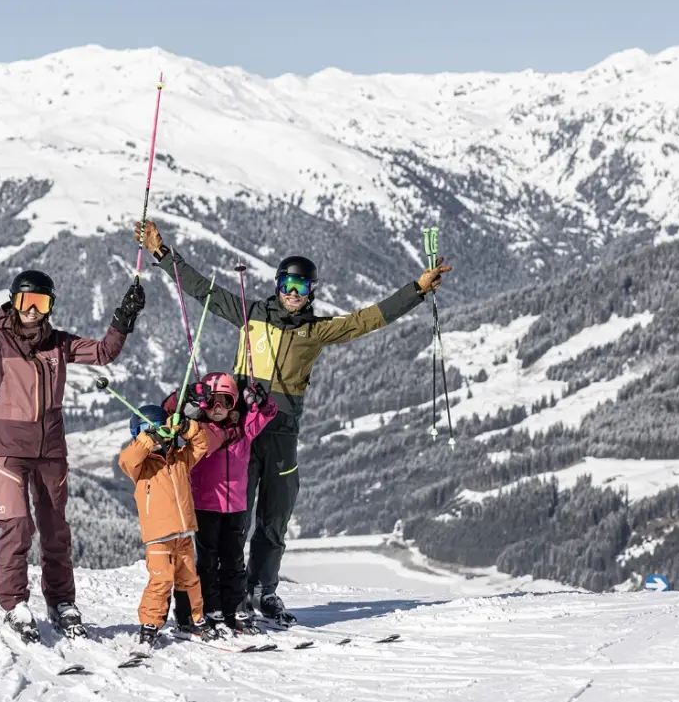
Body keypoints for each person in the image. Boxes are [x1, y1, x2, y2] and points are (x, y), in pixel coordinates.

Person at [134, 220, 448, 625]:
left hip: (283, 435)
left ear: (311, 291)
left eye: (301, 288)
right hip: (241, 434)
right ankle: (225, 595)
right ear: (277, 284)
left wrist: (418, 290)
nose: (292, 294)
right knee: (235, 517)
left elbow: (369, 319)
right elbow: (201, 289)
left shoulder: (316, 331)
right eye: (286, 285)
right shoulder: (250, 313)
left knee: (275, 516)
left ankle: (263, 591)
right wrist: (162, 253)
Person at [0, 270, 146, 641]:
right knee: (17, 524)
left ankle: (61, 602)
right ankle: (14, 603)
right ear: (14, 302)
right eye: (26, 302)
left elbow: (105, 352)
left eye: (41, 303)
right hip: (9, 452)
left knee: (56, 528)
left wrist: (125, 316)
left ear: (50, 306)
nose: (32, 311)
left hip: (51, 451)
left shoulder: (59, 343)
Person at [161, 372, 278, 635]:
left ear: (234, 402)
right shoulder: (198, 429)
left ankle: (234, 609)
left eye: (225, 401)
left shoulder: (243, 429)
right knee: (207, 562)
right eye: (211, 402)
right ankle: (209, 609)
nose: (217, 409)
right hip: (205, 505)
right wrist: (185, 393)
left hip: (236, 507)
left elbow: (268, 412)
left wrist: (262, 399)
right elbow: (167, 412)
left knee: (234, 561)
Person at [118, 403, 220, 649]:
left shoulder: (180, 459)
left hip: (183, 533)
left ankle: (196, 619)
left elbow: (201, 444)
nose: (158, 435)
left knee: (190, 580)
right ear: (138, 434)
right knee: (161, 580)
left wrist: (186, 427)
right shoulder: (141, 468)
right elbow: (127, 459)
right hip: (158, 537)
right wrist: (147, 439)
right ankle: (150, 624)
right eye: (148, 429)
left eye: (162, 428)